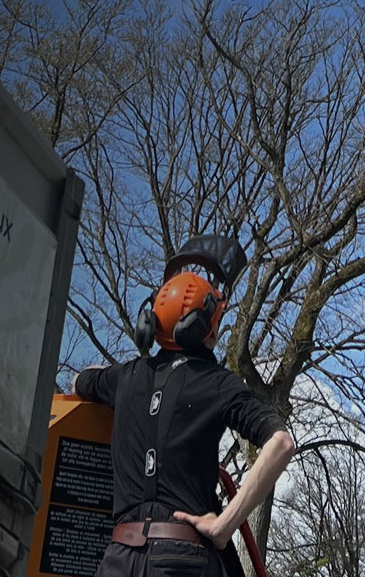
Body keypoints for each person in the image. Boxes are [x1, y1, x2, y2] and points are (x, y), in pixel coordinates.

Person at [71, 235, 296, 577]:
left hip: (118, 559)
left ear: (152, 323)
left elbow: (79, 381)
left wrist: (110, 376)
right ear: (203, 327)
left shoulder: (125, 378)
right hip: (183, 559)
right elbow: (281, 443)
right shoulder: (218, 384)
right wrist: (224, 526)